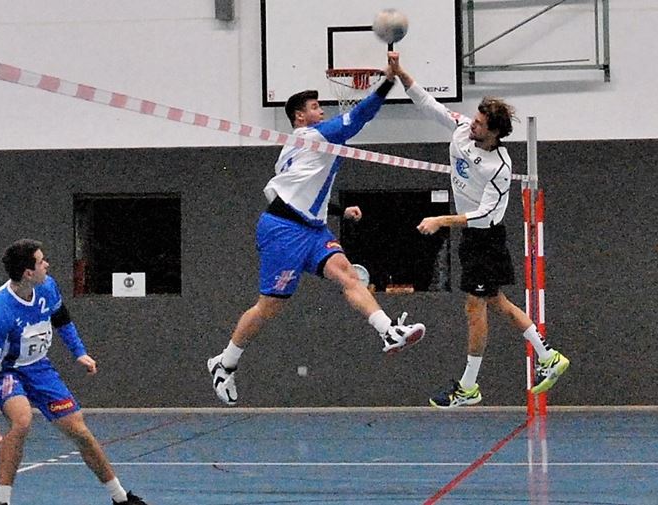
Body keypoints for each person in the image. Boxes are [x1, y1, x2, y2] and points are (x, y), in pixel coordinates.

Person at [207, 53, 426, 406]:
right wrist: (388, 80)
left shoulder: (293, 150)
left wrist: (338, 209)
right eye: (314, 106)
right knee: (269, 307)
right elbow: (359, 118)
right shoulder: (312, 135)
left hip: (311, 228)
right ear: (300, 117)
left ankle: (388, 331)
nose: (320, 110)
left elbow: (294, 190)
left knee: (348, 275)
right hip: (283, 231)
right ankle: (225, 362)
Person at [388, 54, 570, 408]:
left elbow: (485, 213)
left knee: (476, 308)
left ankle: (469, 387)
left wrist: (441, 220)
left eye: (481, 123)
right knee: (495, 303)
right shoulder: (461, 130)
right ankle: (547, 357)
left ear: (496, 132)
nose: (473, 125)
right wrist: (400, 74)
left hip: (485, 237)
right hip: (472, 238)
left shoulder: (499, 166)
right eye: (475, 119)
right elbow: (428, 104)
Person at [0, 239, 148, 505]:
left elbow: (62, 320)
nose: (47, 264)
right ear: (28, 273)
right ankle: (2, 501)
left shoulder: (47, 287)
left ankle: (120, 498)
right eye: (41, 261)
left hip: (40, 369)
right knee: (21, 421)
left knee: (80, 432)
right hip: (7, 372)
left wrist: (80, 353)